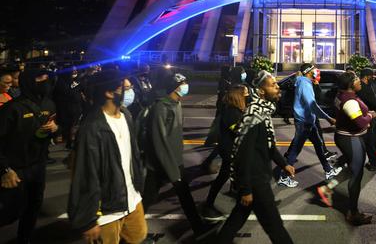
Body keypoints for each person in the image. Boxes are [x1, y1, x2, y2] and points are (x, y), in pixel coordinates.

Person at [68, 70, 147, 244]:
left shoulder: (126, 116)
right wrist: (87, 219)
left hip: (132, 199)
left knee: (138, 237)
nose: (130, 92)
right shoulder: (92, 128)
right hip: (106, 211)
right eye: (124, 88)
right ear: (109, 93)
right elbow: (84, 174)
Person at [215, 71, 295, 243]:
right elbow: (243, 154)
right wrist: (245, 189)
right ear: (261, 91)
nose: (277, 87)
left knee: (236, 219)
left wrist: (284, 165)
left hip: (258, 177)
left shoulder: (263, 111)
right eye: (273, 85)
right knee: (275, 227)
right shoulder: (254, 115)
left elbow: (268, 145)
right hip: (255, 180)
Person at [141, 71, 206, 236]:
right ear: (174, 88)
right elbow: (159, 141)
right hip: (160, 163)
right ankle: (132, 229)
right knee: (146, 199)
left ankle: (198, 227)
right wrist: (172, 170)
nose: (185, 86)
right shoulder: (161, 108)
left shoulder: (177, 104)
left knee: (185, 196)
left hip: (175, 160)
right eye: (182, 84)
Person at [0, 69, 57, 243]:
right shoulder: (12, 108)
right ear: (29, 82)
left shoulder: (49, 105)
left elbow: (53, 128)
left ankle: (24, 238)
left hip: (38, 166)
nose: (45, 83)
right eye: (40, 78)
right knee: (8, 212)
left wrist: (55, 129)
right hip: (15, 170)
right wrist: (5, 169)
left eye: (47, 79)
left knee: (33, 206)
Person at [326, 71, 376, 225]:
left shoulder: (342, 95)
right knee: (357, 174)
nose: (359, 81)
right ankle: (353, 213)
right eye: (356, 80)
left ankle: (328, 188)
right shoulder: (349, 101)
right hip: (351, 138)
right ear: (350, 84)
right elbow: (360, 123)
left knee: (351, 168)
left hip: (347, 136)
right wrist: (370, 116)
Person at [279, 63, 340, 188]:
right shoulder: (305, 84)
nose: (316, 71)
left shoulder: (305, 82)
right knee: (296, 150)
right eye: (314, 70)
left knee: (318, 145)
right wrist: (328, 118)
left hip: (308, 121)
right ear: (309, 72)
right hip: (304, 122)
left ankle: (328, 170)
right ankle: (284, 177)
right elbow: (312, 105)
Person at [202, 84, 248, 219]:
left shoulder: (236, 109)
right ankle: (208, 204)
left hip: (231, 148)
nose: (247, 93)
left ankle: (236, 192)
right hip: (228, 149)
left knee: (237, 172)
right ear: (238, 95)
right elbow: (238, 129)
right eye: (245, 92)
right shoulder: (231, 111)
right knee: (223, 176)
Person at [357, 68, 376, 171]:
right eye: (371, 77)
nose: (372, 79)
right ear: (366, 77)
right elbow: (373, 101)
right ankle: (373, 164)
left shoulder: (364, 85)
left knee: (367, 141)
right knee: (369, 141)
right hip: (369, 116)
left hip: (367, 115)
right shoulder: (363, 87)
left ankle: (372, 162)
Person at [53, 67, 84, 149]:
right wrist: (76, 84)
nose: (75, 72)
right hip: (65, 108)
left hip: (75, 107)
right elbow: (68, 91)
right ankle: (65, 140)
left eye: (75, 70)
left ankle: (70, 141)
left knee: (73, 125)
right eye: (72, 70)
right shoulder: (61, 82)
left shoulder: (75, 81)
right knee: (67, 125)